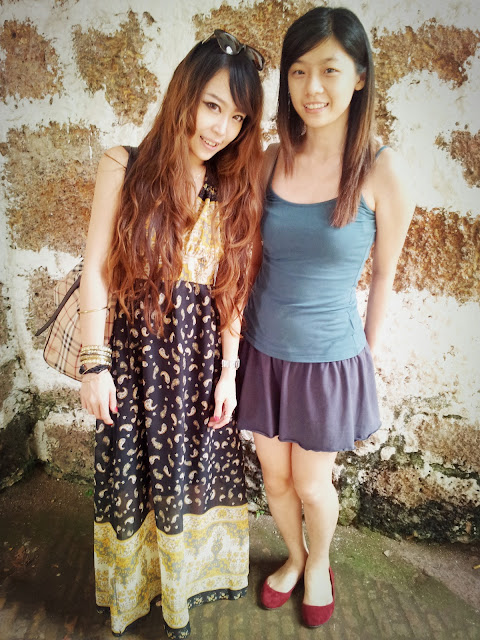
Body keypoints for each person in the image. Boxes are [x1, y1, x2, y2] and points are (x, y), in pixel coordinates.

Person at [78, 30, 264, 639]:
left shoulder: (231, 186)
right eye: (212, 106)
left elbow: (231, 291)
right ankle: (140, 590)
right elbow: (95, 269)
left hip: (200, 363)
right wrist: (93, 364)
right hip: (135, 360)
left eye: (237, 118)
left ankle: (182, 590)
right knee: (135, 475)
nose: (221, 129)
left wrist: (229, 373)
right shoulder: (123, 164)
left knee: (190, 477)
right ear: (184, 94)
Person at [236, 6, 414, 628]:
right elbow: (242, 255)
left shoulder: (381, 170)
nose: (312, 87)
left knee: (313, 485)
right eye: (298, 71)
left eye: (330, 70)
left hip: (328, 361)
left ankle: (319, 564)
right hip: (263, 351)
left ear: (359, 77)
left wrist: (366, 354)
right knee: (275, 482)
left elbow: (385, 274)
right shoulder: (268, 159)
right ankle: (292, 556)